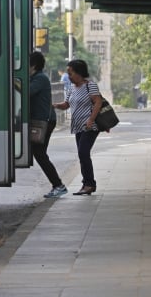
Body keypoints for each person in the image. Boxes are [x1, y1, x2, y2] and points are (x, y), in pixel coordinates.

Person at [53, 59, 103, 196]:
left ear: (79, 73)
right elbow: (66, 104)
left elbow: (98, 102)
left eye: (71, 73)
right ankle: (87, 184)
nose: (68, 76)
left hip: (90, 126)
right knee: (82, 154)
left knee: (83, 153)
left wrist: (91, 119)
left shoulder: (90, 86)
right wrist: (55, 105)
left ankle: (89, 184)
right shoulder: (71, 88)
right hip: (78, 126)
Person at [29, 51, 67, 198]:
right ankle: (57, 185)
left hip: (44, 120)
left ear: (33, 65)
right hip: (43, 120)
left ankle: (58, 185)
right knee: (40, 154)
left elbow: (27, 92)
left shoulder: (40, 78)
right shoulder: (37, 78)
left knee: (39, 154)